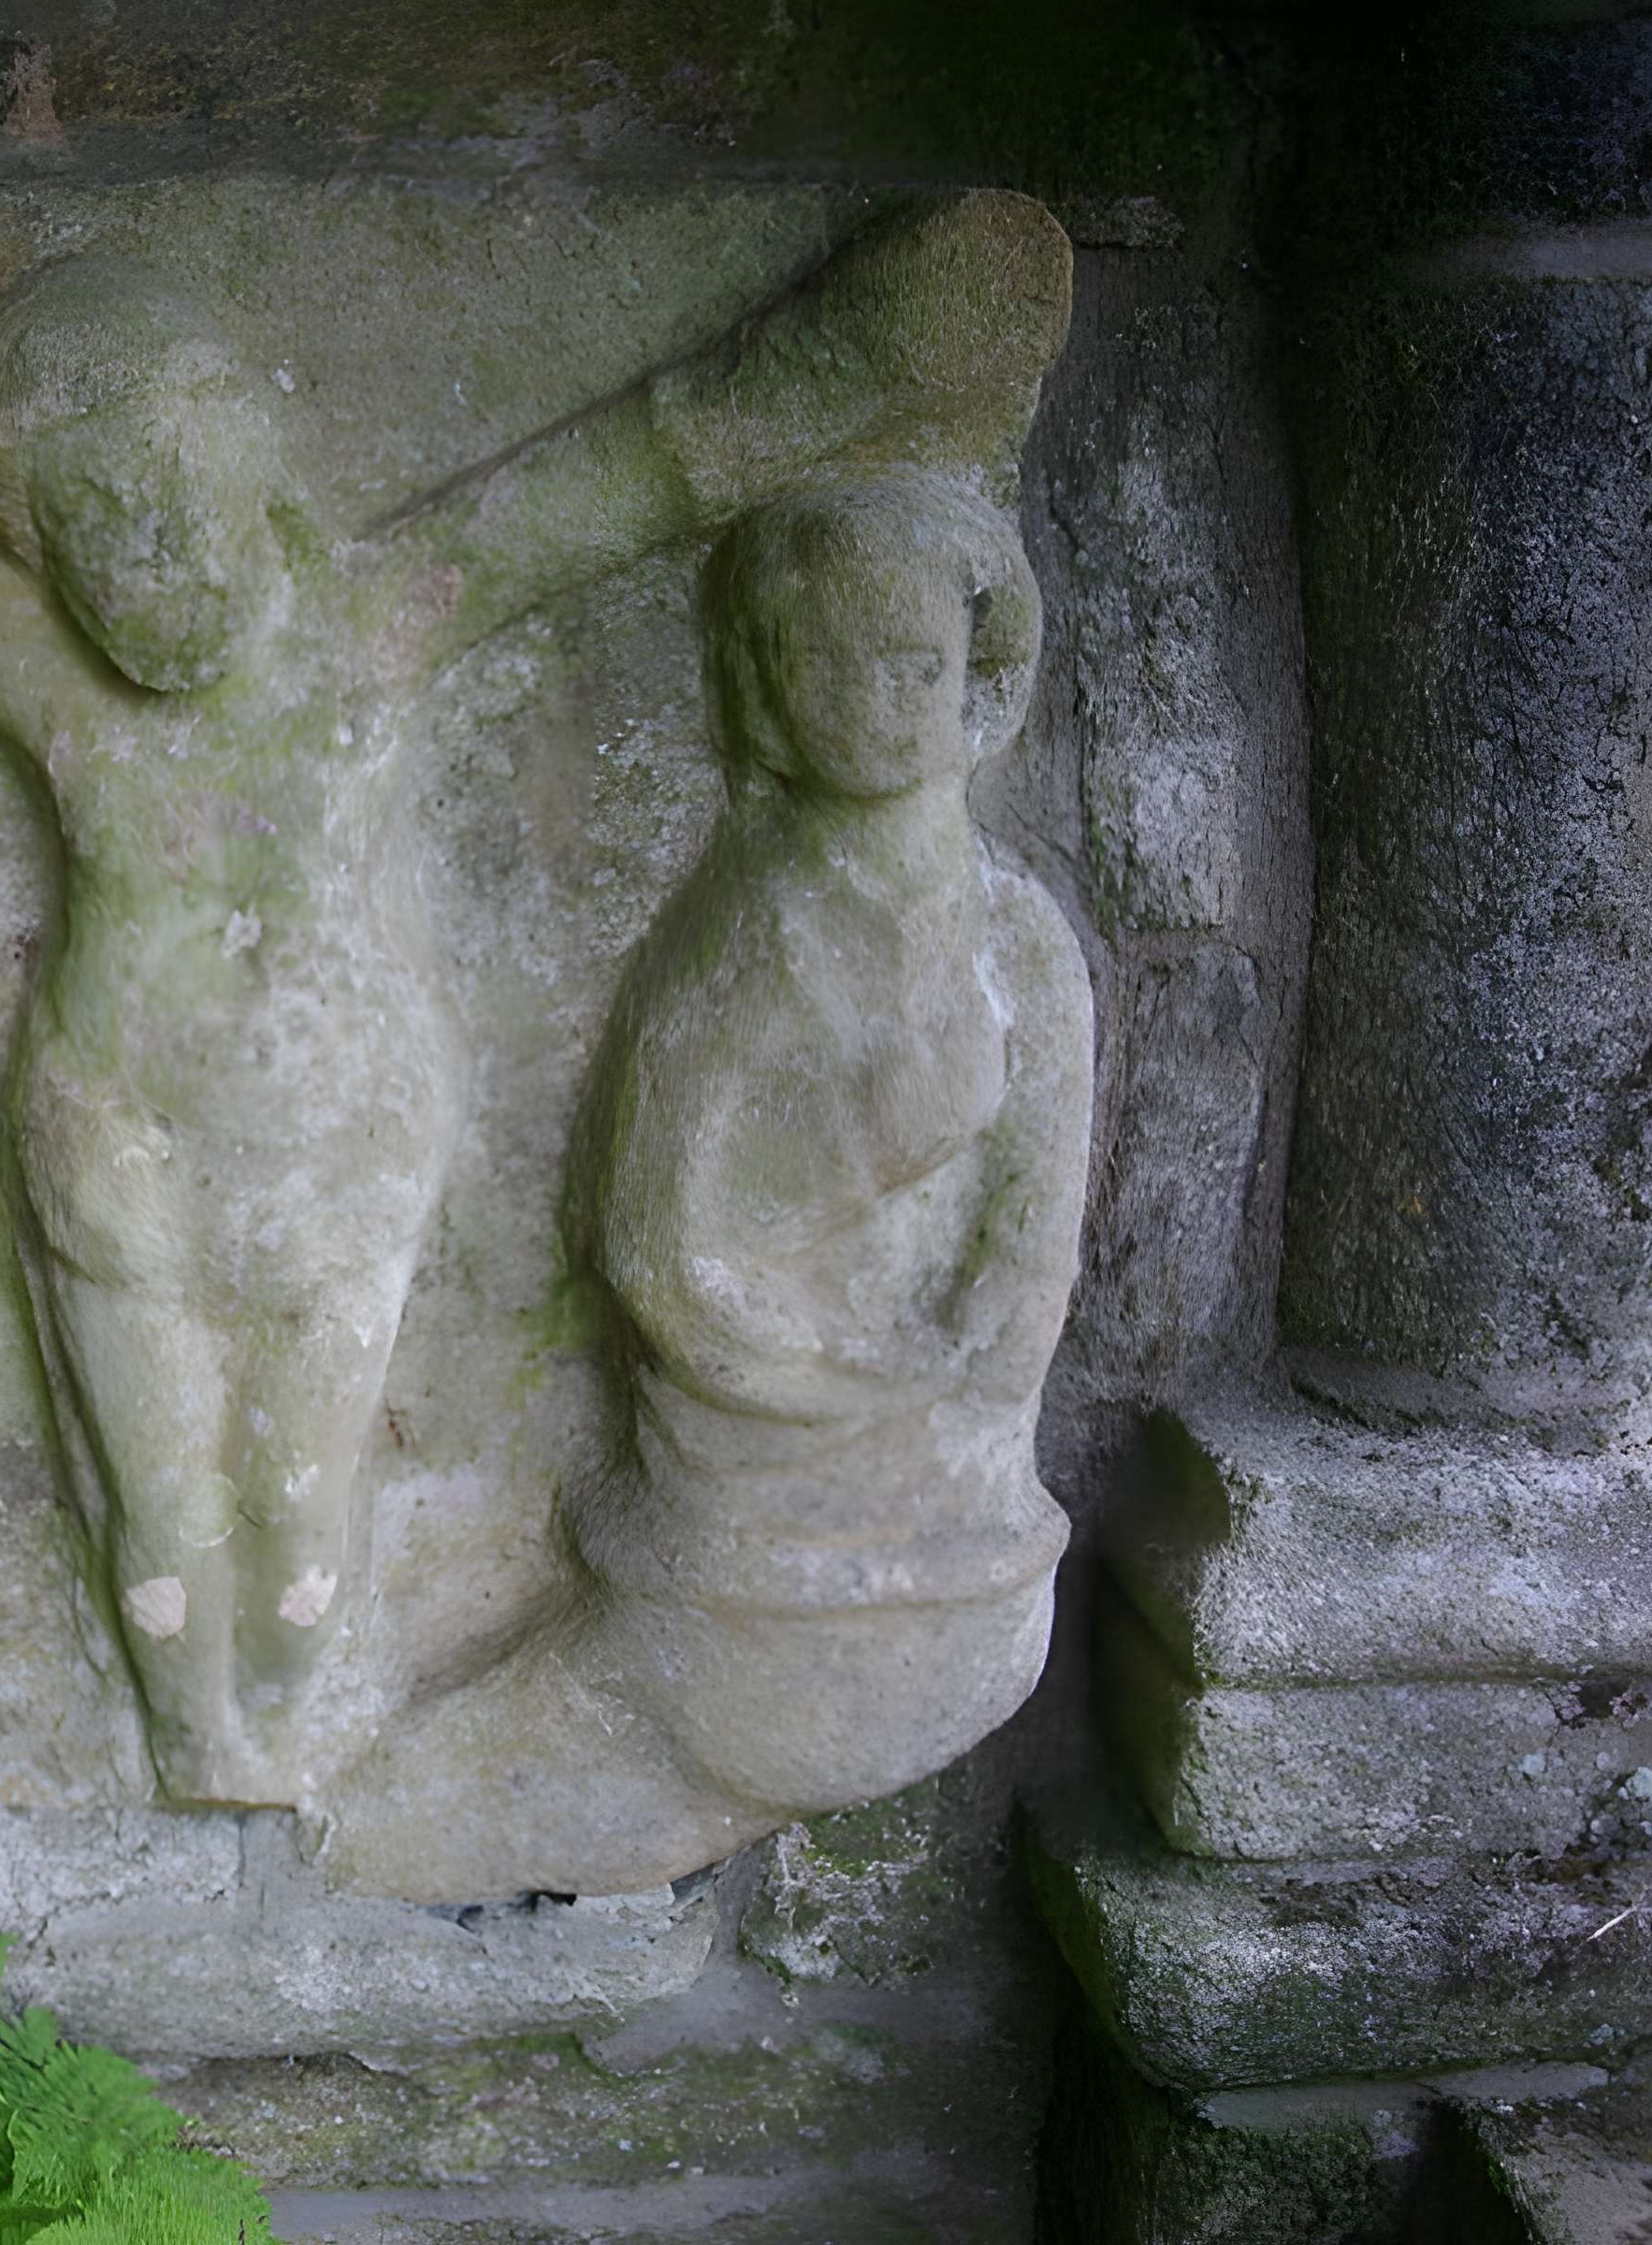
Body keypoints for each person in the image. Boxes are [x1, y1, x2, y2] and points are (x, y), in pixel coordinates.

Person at [0, 193, 1071, 1805]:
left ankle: (281, 1781)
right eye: (91, 527)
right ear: (37, 544)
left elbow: (637, 466)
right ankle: (205, 1777)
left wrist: (871, 353)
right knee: (166, 1537)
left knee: (302, 1534)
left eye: (173, 495)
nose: (148, 563)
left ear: (256, 469)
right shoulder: (53, 678)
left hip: (339, 1158)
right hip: (122, 1151)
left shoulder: (379, 626)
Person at [320, 473, 1092, 1897]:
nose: (873, 702)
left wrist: (953, 1370)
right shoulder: (747, 934)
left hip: (940, 1469)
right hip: (749, 1447)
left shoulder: (1023, 942)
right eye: (826, 663)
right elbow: (655, 1242)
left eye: (914, 664)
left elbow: (1030, 1255)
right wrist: (808, 1347)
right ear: (764, 684)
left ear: (980, 682)